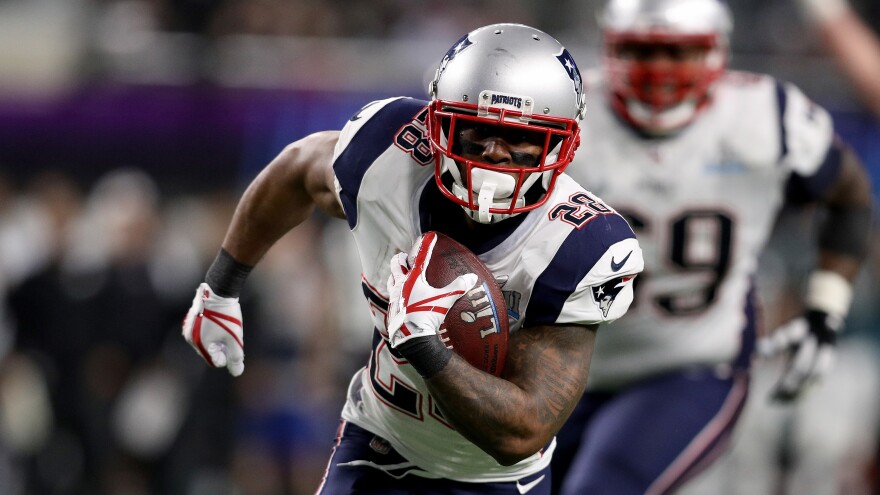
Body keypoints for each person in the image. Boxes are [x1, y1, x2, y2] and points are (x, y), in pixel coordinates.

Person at [180, 23, 644, 494]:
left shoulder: (579, 244)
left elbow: (522, 432)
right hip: (377, 447)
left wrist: (426, 346)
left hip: (494, 483)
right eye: (476, 131)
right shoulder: (388, 155)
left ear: (563, 144)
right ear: (436, 121)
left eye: (518, 140)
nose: (493, 155)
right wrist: (222, 285)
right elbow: (298, 167)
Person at [550, 1, 874, 494]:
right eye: (639, 51)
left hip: (688, 364)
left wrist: (825, 309)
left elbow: (848, 196)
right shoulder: (564, 116)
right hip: (556, 363)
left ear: (714, 53)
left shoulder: (766, 116)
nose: (658, 71)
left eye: (678, 53)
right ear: (609, 48)